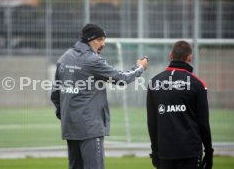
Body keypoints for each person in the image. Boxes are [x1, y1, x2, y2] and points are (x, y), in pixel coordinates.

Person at [51, 23, 148, 169]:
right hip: (90, 127)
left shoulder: (65, 57)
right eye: (100, 39)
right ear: (90, 39)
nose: (103, 43)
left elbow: (55, 93)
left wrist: (63, 114)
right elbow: (121, 79)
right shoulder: (92, 60)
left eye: (104, 39)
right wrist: (140, 67)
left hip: (70, 126)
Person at [146, 40, 213, 169]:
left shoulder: (154, 83)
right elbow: (203, 122)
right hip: (190, 152)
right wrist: (209, 152)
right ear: (189, 57)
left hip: (165, 152)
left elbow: (152, 122)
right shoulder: (197, 84)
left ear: (171, 55)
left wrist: (155, 152)